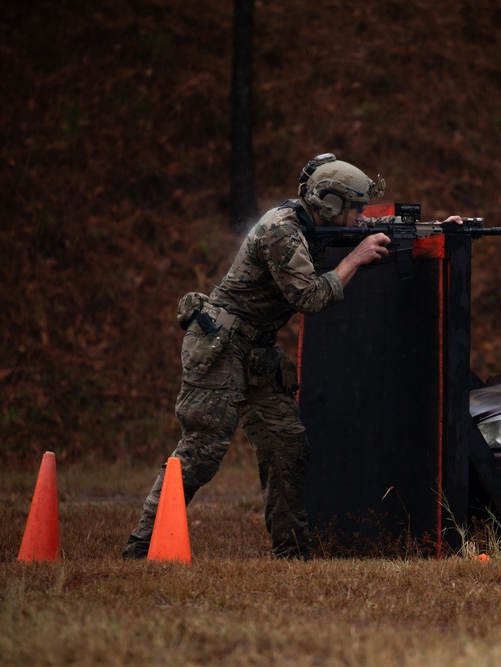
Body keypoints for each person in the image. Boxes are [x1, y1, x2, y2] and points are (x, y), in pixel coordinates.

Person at [123, 153, 460, 559]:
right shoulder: (280, 231)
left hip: (256, 350)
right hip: (222, 346)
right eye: (353, 209)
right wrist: (355, 259)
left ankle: (292, 553)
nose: (359, 218)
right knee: (202, 450)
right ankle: (140, 547)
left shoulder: (315, 224)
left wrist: (438, 230)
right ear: (331, 205)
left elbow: (374, 231)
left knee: (287, 446)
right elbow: (311, 297)